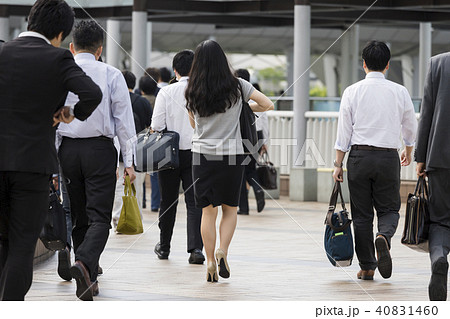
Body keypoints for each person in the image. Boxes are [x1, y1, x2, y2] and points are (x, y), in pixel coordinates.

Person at [0, 0, 102, 300]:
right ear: (60, 33)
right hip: (33, 165)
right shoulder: (57, 59)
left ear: (30, 20)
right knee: (22, 244)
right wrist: (70, 112)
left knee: (3, 240)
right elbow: (92, 93)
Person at [57, 20, 136, 301]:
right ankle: (85, 263)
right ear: (100, 49)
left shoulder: (60, 74)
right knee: (99, 217)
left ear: (71, 47)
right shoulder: (112, 75)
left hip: (67, 150)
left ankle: (87, 274)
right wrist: (129, 162)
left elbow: (52, 119)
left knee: (77, 214)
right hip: (100, 151)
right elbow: (124, 123)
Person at [185, 40, 274, 282]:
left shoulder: (192, 89)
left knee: (206, 211)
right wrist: (244, 107)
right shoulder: (238, 86)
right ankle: (223, 250)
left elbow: (194, 125)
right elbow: (268, 104)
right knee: (229, 209)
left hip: (202, 156)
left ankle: (211, 262)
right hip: (232, 156)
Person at [333, 40, 417, 281]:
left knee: (361, 216)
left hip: (359, 157)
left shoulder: (352, 91)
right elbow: (411, 125)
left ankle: (368, 266)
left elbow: (344, 132)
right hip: (388, 157)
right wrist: (408, 150)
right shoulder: (399, 91)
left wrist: (338, 164)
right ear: (388, 65)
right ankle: (384, 236)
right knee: (389, 208)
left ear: (364, 65)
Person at [151, 50, 205, 264]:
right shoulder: (202, 91)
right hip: (197, 153)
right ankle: (195, 250)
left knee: (168, 201)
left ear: (175, 70)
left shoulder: (166, 92)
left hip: (168, 153)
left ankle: (164, 247)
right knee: (194, 202)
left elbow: (156, 126)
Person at [415, 52, 450, 301]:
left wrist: (420, 157)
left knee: (440, 220)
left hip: (439, 157)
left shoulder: (437, 63)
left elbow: (426, 111)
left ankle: (439, 257)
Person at [111, 71, 152, 231]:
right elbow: (150, 127)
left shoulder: (116, 100)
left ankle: (117, 217)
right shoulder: (142, 102)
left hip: (119, 149)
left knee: (119, 185)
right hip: (138, 151)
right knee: (137, 186)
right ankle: (135, 218)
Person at [234, 69, 265, 215]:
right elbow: (265, 122)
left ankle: (244, 207)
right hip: (257, 137)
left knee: (240, 173)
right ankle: (257, 188)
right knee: (251, 169)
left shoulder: (237, 97)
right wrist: (265, 142)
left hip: (243, 136)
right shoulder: (256, 96)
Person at [139, 74, 161, 212]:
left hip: (139, 141)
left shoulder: (139, 101)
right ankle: (155, 203)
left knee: (139, 171)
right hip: (155, 141)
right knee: (155, 175)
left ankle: (142, 201)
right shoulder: (158, 99)